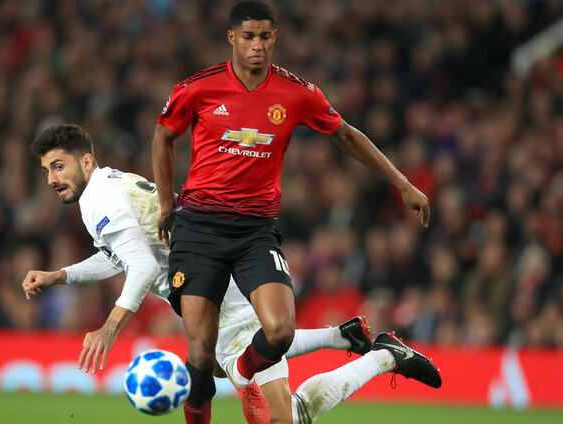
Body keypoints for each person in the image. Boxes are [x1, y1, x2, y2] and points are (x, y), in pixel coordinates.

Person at [23, 124, 441, 424]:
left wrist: (109, 327)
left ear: (86, 161)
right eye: (46, 171)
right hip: (213, 291)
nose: (52, 179)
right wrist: (60, 275)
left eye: (59, 167)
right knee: (230, 372)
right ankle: (345, 337)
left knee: (281, 416)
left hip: (222, 293)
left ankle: (385, 356)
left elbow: (143, 266)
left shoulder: (99, 200)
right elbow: (124, 257)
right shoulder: (108, 186)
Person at [152, 2, 439, 422]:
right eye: (248, 36)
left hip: (255, 232)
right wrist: (166, 203)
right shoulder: (199, 88)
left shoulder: (297, 93)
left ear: (275, 38)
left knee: (281, 331)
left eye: (265, 36)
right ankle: (335, 353)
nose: (257, 45)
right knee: (199, 358)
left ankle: (246, 375)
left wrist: (402, 183)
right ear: (232, 38)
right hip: (199, 228)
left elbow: (346, 135)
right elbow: (163, 136)